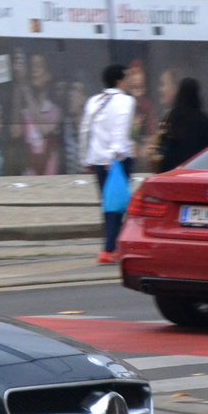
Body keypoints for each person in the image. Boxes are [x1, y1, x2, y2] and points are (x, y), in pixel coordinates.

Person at [79, 64, 136, 265]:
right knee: (117, 205)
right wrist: (115, 156)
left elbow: (85, 131)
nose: (131, 80)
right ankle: (109, 249)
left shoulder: (94, 100)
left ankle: (111, 246)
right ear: (119, 80)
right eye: (128, 76)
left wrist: (86, 159)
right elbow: (120, 129)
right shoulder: (126, 101)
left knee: (108, 203)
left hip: (97, 159)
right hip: (117, 160)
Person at [156, 78, 208, 172]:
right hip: (197, 169)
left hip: (173, 171)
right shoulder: (203, 119)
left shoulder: (171, 117)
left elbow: (163, 144)